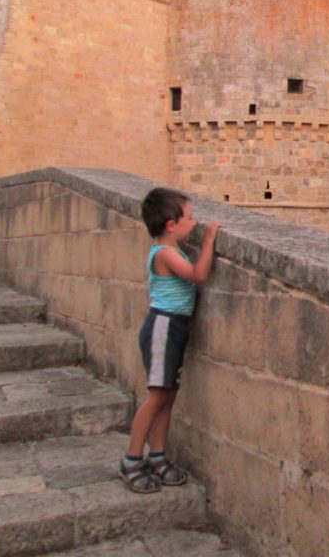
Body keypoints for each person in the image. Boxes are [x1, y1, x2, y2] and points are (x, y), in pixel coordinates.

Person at [119, 187, 220, 493]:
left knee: (167, 396)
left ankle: (159, 456)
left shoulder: (168, 249)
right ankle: (132, 459)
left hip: (173, 327)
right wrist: (210, 240)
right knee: (156, 398)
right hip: (163, 327)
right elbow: (198, 275)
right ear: (171, 225)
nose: (194, 223)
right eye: (189, 218)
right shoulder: (165, 253)